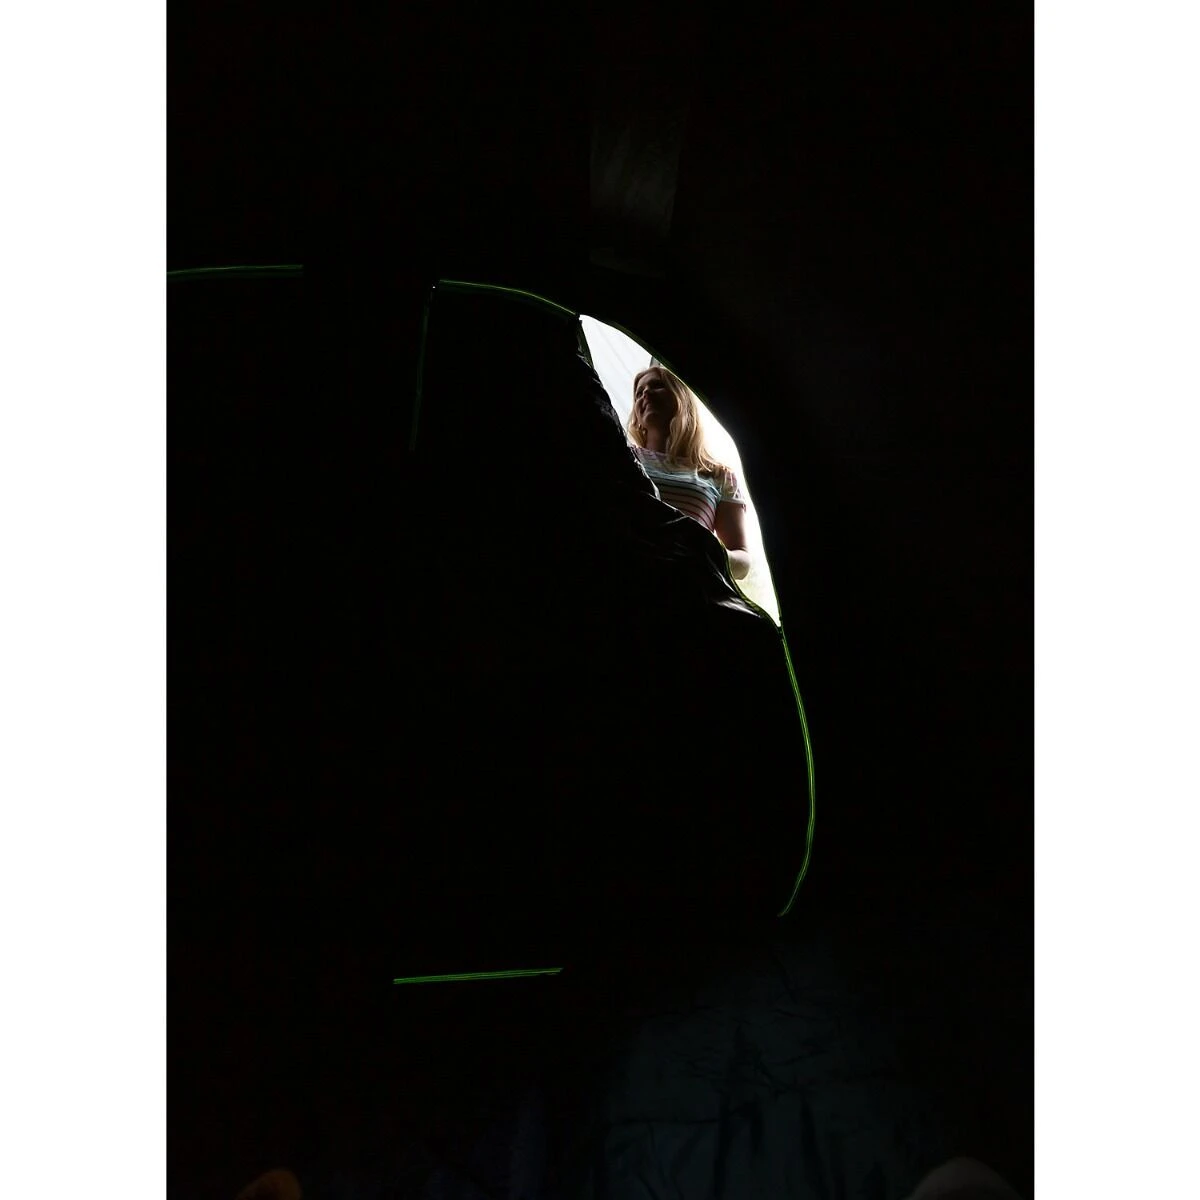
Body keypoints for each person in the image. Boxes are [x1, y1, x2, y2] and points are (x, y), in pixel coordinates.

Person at [626, 366, 752, 580]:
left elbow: (742, 562)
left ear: (681, 399)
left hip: (686, 587)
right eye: (639, 393)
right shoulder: (623, 453)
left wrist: (707, 549)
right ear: (637, 417)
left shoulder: (719, 475)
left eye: (657, 385)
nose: (645, 393)